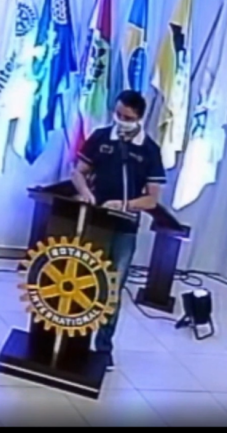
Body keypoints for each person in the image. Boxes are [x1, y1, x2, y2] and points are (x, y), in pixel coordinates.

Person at [71, 90, 165, 370]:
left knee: (112, 288)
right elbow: (78, 172)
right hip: (95, 221)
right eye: (119, 114)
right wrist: (85, 192)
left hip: (125, 226)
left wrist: (125, 204)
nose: (121, 120)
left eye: (128, 117)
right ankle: (75, 340)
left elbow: (152, 199)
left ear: (139, 119)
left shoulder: (149, 150)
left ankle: (103, 346)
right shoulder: (101, 137)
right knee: (84, 280)